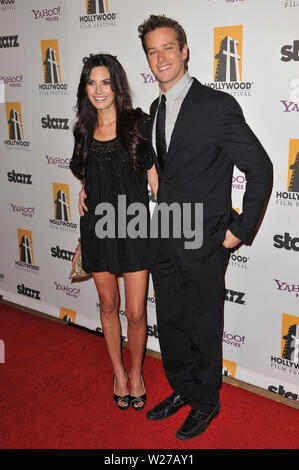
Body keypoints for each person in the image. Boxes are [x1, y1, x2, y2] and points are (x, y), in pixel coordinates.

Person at [137, 15, 273, 439]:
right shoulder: (155, 108)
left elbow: (261, 168)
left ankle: (206, 403)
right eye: (152, 51)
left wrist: (239, 229)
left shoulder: (215, 105)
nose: (161, 57)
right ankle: (182, 389)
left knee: (202, 324)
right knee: (173, 322)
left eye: (168, 48)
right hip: (165, 235)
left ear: (185, 51)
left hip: (206, 238)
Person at [70, 54, 158, 411]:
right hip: (97, 230)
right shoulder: (82, 130)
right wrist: (83, 189)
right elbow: (89, 177)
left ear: (117, 85)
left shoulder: (139, 123)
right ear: (84, 88)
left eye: (105, 82)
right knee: (109, 305)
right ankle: (118, 373)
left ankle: (137, 373)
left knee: (136, 312)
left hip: (135, 229)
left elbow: (156, 182)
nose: (98, 90)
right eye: (91, 82)